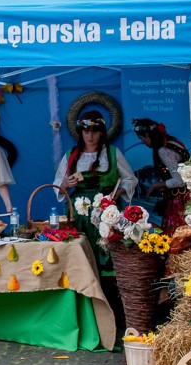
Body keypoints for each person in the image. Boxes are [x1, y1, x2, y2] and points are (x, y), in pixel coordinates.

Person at [54, 110, 137, 272]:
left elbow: (130, 179)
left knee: (107, 247)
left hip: (108, 210)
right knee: (81, 248)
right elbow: (58, 183)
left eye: (94, 132)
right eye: (86, 132)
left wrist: (119, 192)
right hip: (79, 213)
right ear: (81, 132)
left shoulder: (112, 153)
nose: (90, 136)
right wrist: (66, 183)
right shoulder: (72, 155)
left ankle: (109, 283)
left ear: (101, 133)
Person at [132, 118, 190, 233]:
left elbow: (179, 180)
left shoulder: (164, 150)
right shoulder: (173, 143)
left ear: (148, 135)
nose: (143, 142)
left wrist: (156, 185)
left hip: (180, 200)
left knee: (176, 233)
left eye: (142, 138)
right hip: (185, 197)